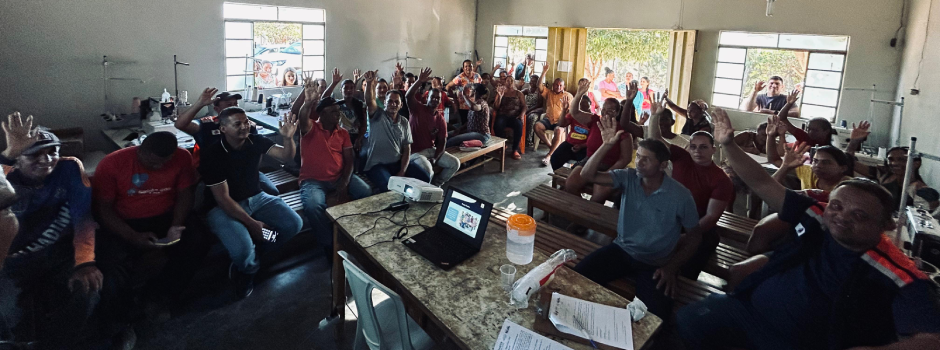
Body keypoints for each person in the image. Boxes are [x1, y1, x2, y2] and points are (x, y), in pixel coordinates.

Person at [678, 106, 940, 349]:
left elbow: (930, 339)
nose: (841, 217)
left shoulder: (895, 271)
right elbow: (762, 183)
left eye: (859, 214)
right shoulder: (817, 216)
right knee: (685, 322)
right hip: (749, 310)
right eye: (836, 206)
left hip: (795, 340)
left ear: (886, 224)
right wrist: (728, 144)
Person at [572, 115, 702, 318]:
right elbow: (587, 175)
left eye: (646, 159)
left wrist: (671, 267)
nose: (639, 163)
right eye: (638, 156)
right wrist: (606, 145)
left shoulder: (680, 195)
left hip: (656, 263)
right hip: (621, 250)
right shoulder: (629, 177)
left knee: (657, 317)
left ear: (662, 166)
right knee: (575, 278)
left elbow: (695, 237)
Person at [0, 113, 103, 348]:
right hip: (11, 263)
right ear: (18, 159)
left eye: (52, 152)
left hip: (58, 255)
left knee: (88, 291)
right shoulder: (6, 175)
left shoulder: (68, 167)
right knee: (11, 320)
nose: (46, 159)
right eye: (35, 153)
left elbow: (83, 217)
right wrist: (8, 155)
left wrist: (85, 262)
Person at [91, 132, 209, 327]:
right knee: (111, 265)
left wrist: (176, 226)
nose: (158, 167)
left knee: (198, 241)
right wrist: (132, 236)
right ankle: (117, 322)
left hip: (165, 216)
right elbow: (103, 209)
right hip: (125, 221)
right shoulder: (112, 163)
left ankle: (159, 295)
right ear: (141, 150)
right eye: (152, 163)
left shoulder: (181, 157)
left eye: (164, 163)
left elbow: (185, 194)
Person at [199, 107, 304, 299]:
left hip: (257, 198)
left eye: (246, 122)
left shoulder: (256, 141)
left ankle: (255, 256)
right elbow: (223, 198)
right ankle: (247, 270)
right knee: (242, 251)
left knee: (293, 224)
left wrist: (288, 138)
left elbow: (286, 156)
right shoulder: (213, 154)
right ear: (223, 129)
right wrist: (252, 224)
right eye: (237, 124)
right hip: (222, 208)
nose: (244, 127)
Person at [648, 95, 734, 280]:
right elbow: (655, 141)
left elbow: (711, 217)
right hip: (671, 217)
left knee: (700, 247)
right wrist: (654, 116)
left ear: (713, 150)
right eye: (693, 147)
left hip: (697, 227)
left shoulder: (721, 179)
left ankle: (686, 283)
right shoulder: (681, 157)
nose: (697, 151)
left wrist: (685, 237)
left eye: (703, 147)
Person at [295, 77, 372, 262]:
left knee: (366, 192)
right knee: (314, 206)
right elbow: (302, 118)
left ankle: (356, 233)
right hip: (313, 180)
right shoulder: (311, 128)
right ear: (321, 114)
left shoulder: (343, 132)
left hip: (339, 176)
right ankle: (328, 244)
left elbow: (349, 159)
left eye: (338, 111)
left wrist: (345, 181)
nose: (337, 115)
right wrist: (307, 103)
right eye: (332, 112)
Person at [174, 88, 279, 196]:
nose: (234, 107)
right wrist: (200, 104)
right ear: (217, 109)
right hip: (216, 173)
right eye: (229, 104)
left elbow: (258, 151)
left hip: (245, 171)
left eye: (235, 104)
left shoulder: (247, 126)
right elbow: (180, 124)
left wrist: (251, 171)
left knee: (271, 192)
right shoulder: (207, 124)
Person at [563, 80, 635, 205]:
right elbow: (574, 112)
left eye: (612, 111)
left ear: (618, 113)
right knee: (570, 185)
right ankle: (582, 214)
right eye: (605, 110)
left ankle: (588, 219)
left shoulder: (623, 132)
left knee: (599, 195)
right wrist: (579, 94)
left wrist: (608, 173)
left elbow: (625, 159)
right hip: (590, 161)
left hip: (611, 167)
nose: (607, 113)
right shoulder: (595, 121)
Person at [362, 70, 431, 192]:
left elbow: (407, 148)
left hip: (397, 163)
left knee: (424, 177)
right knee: (390, 187)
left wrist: (402, 171)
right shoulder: (377, 115)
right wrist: (369, 83)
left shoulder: (404, 121)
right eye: (390, 101)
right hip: (377, 166)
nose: (393, 104)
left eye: (396, 102)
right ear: (384, 103)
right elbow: (369, 101)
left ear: (401, 105)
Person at [846, 122, 940, 211]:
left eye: (901, 159)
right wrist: (853, 143)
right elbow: (848, 163)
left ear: (916, 163)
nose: (894, 163)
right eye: (891, 159)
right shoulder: (884, 175)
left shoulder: (921, 190)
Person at [406, 68, 461, 186]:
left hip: (431, 150)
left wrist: (435, 158)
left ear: (441, 101)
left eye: (438, 98)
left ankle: (436, 185)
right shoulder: (417, 109)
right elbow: (408, 96)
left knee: (455, 163)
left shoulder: (440, 119)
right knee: (428, 171)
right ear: (427, 97)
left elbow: (442, 142)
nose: (435, 100)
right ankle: (426, 191)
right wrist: (419, 81)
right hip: (415, 152)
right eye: (432, 97)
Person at [771, 143, 853, 203]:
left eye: (826, 162)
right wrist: (785, 166)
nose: (818, 165)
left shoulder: (849, 187)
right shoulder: (808, 171)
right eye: (815, 161)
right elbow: (770, 185)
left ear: (842, 168)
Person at [533, 63, 574, 166]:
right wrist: (544, 72)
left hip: (561, 121)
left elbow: (571, 112)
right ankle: (551, 147)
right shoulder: (549, 93)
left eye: (560, 85)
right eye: (556, 84)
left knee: (558, 130)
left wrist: (565, 120)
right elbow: (539, 85)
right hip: (548, 119)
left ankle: (549, 155)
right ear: (553, 85)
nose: (558, 87)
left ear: (564, 86)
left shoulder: (568, 95)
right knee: (537, 126)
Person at [549, 92, 591, 170]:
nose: (583, 111)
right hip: (570, 144)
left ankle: (574, 179)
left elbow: (594, 140)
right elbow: (561, 124)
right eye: (581, 107)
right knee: (555, 158)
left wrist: (582, 146)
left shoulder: (593, 119)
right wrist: (564, 110)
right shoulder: (573, 115)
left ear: (590, 107)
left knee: (581, 166)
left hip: (585, 147)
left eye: (586, 107)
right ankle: (560, 177)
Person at [493, 75, 528, 160]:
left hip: (515, 116)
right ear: (505, 82)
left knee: (519, 125)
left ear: (514, 82)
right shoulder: (501, 91)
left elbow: (524, 106)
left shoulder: (519, 93)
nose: (510, 82)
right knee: (497, 124)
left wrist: (522, 114)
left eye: (512, 80)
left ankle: (515, 150)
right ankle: (503, 145)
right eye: (508, 81)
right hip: (503, 115)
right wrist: (500, 96)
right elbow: (495, 107)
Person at [447, 84, 491, 148]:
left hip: (481, 134)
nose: (469, 91)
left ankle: (446, 156)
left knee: (451, 141)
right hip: (471, 131)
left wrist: (464, 95)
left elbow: (474, 107)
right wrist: (459, 129)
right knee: (446, 135)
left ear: (474, 92)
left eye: (470, 90)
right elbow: (469, 121)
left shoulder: (482, 103)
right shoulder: (475, 102)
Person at [446, 60, 483, 126]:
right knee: (465, 125)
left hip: (475, 105)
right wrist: (454, 98)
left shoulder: (477, 76)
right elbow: (447, 86)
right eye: (466, 66)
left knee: (475, 124)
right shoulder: (460, 78)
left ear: (472, 67)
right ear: (463, 68)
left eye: (470, 66)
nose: (468, 68)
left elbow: (480, 88)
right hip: (464, 106)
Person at [522, 74, 545, 147]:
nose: (532, 83)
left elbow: (539, 104)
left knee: (531, 118)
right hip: (526, 109)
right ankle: (520, 137)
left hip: (536, 110)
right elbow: (519, 93)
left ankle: (528, 140)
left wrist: (529, 110)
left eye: (534, 81)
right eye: (531, 81)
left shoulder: (539, 91)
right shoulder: (527, 90)